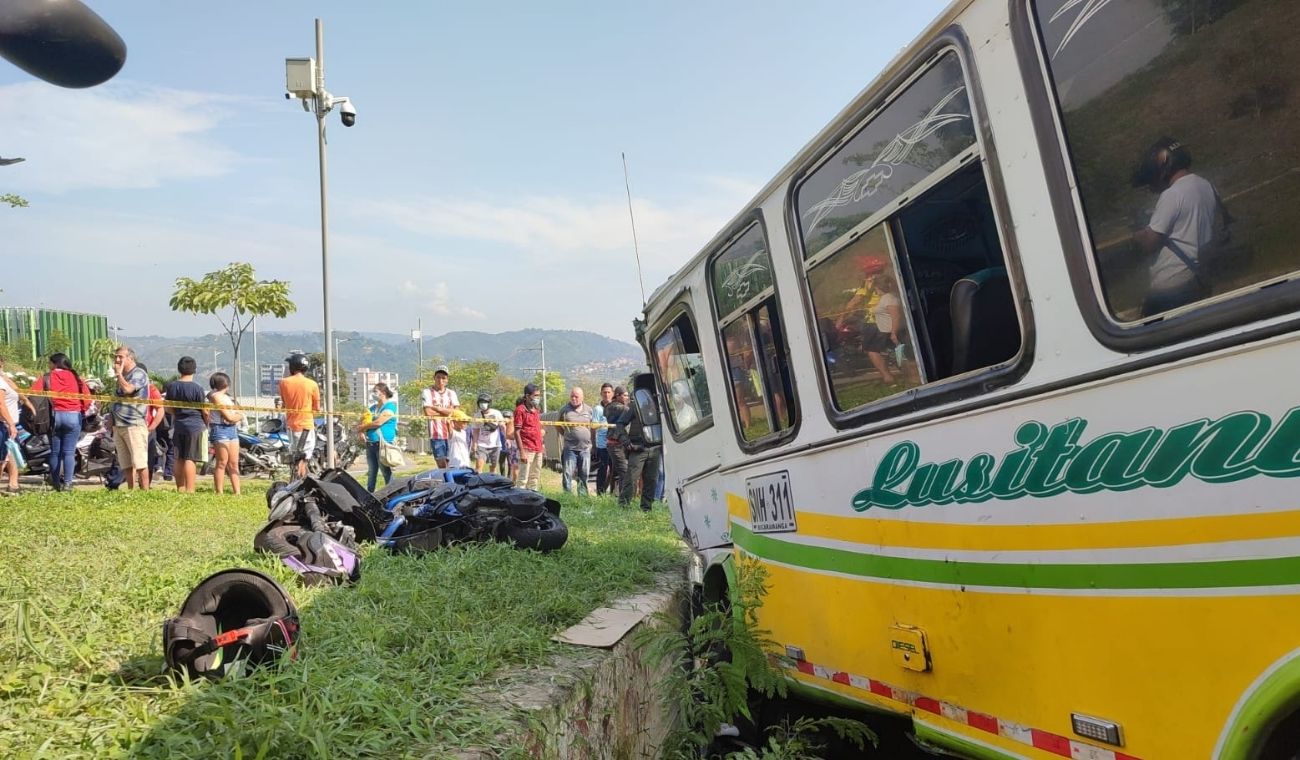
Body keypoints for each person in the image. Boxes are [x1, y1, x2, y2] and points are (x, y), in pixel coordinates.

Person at [1132, 137, 1229, 316]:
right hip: (1198, 277)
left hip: (1171, 286)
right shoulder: (1206, 185)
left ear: (1163, 164)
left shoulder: (1172, 195)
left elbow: (1149, 244)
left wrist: (1138, 232)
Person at [31, 352, 92, 491]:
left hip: (55, 416)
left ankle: (56, 482)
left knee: (55, 452)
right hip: (73, 416)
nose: (48, 366)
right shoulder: (76, 378)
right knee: (69, 452)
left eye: (49, 363)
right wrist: (79, 409)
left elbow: (33, 394)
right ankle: (68, 483)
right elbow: (87, 400)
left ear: (54, 363)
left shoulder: (46, 377)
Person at [108, 346, 155, 490]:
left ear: (130, 358)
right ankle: (131, 489)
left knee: (140, 461)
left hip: (133, 424)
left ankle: (145, 491)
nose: (117, 360)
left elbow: (128, 389)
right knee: (125, 462)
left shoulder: (138, 374)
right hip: (119, 424)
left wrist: (119, 375)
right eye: (116, 356)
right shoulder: (123, 375)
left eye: (120, 357)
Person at [163, 357, 208, 494]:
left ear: (179, 369)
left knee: (179, 457)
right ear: (194, 369)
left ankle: (180, 487)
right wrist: (207, 423)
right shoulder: (197, 388)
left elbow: (168, 407)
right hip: (195, 425)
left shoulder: (172, 386)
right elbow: (205, 410)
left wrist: (176, 414)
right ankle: (190, 489)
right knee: (190, 457)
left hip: (179, 424)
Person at [615, 394, 662, 512]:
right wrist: (626, 441)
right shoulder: (636, 405)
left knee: (651, 480)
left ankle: (646, 508)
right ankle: (623, 507)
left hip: (655, 446)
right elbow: (620, 424)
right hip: (638, 447)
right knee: (631, 479)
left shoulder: (660, 405)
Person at [279, 353, 320, 479]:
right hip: (306, 426)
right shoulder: (312, 384)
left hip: (291, 425)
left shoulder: (283, 383)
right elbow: (316, 408)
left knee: (295, 456)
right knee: (304, 457)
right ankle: (300, 482)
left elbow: (284, 404)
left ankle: (296, 481)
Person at [357, 382, 398, 491]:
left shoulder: (390, 406)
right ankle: (370, 494)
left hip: (383, 443)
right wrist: (360, 431)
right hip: (370, 443)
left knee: (385, 471)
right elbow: (361, 422)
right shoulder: (372, 408)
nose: (373, 394)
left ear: (383, 392)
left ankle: (390, 493)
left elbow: (379, 422)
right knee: (371, 472)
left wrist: (363, 427)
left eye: (376, 391)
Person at [208, 372, 243, 496]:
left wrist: (235, 417)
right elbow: (230, 416)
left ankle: (237, 492)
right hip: (220, 429)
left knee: (234, 463)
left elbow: (238, 415)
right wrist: (235, 416)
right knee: (222, 461)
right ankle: (219, 491)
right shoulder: (215, 396)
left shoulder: (228, 398)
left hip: (232, 430)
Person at [557, 387, 595, 496]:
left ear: (582, 397)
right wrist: (566, 434)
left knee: (584, 474)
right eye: (572, 396)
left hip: (585, 448)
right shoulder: (564, 410)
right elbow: (557, 425)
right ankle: (567, 496)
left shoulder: (589, 410)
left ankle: (582, 497)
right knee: (568, 473)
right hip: (570, 448)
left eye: (576, 396)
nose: (574, 399)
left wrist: (593, 444)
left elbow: (593, 427)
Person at [421, 365, 459, 468]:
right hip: (436, 434)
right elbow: (428, 412)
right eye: (438, 377)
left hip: (452, 434)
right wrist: (448, 412)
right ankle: (446, 482)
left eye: (443, 378)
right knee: (442, 464)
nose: (440, 380)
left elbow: (456, 412)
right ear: (434, 378)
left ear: (447, 380)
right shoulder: (427, 392)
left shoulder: (452, 393)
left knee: (452, 463)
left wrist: (439, 409)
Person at [514, 383, 544, 490]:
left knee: (534, 477)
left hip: (538, 448)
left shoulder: (536, 410)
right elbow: (517, 432)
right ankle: (520, 500)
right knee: (523, 478)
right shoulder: (520, 410)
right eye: (535, 395)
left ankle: (533, 499)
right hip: (526, 448)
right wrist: (522, 451)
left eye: (538, 395)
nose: (537, 398)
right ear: (527, 396)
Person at [603, 386, 630, 498]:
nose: (627, 398)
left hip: (619, 443)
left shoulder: (613, 406)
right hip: (615, 443)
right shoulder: (616, 407)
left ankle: (612, 494)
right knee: (624, 470)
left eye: (628, 395)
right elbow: (627, 411)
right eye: (625, 395)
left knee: (615, 472)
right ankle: (623, 498)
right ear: (617, 395)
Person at [0, 356, 21, 494]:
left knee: (10, 454)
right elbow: (1, 404)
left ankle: (14, 484)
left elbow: (16, 388)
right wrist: (10, 424)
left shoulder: (3, 380)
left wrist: (4, 376)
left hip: (8, 424)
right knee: (2, 458)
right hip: (5, 423)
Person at [471, 392, 504, 474]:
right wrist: (474, 443)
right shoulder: (477, 415)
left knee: (493, 467)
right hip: (482, 444)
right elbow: (475, 430)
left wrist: (507, 439)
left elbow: (502, 426)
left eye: (485, 402)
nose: (483, 404)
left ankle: (492, 483)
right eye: (481, 402)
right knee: (478, 467)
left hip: (495, 445)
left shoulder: (496, 413)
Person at [592, 383, 613, 495]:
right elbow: (593, 426)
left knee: (614, 470)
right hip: (602, 445)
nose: (606, 394)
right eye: (604, 392)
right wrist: (594, 446)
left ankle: (612, 492)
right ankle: (600, 493)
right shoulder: (598, 409)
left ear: (612, 393)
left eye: (608, 392)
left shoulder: (616, 407)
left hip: (615, 444)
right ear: (601, 394)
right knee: (603, 470)